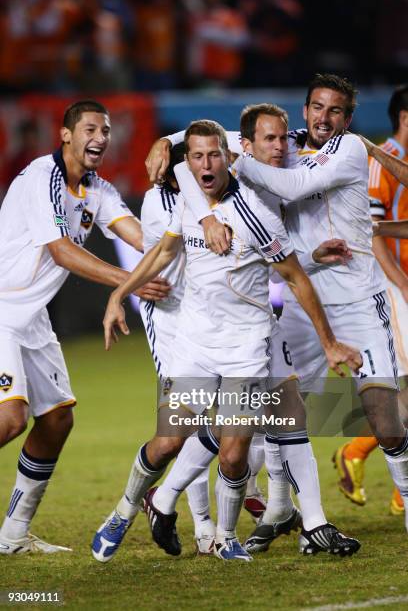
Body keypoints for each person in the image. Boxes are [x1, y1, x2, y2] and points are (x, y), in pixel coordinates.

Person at [96, 119, 361, 562]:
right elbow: (163, 250)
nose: (206, 163)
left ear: (230, 155)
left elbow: (293, 276)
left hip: (245, 346)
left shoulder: (255, 214)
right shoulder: (187, 198)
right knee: (168, 441)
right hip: (196, 344)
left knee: (236, 453)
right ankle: (126, 510)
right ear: (187, 161)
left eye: (214, 155)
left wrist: (330, 342)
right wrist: (119, 294)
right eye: (197, 156)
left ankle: (224, 536)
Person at [216, 74, 408, 533]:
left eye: (336, 110)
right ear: (304, 110)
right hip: (303, 301)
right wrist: (172, 140)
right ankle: (282, 507)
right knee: (284, 408)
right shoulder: (289, 141)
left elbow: (295, 187)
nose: (325, 117)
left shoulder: (348, 150)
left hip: (360, 301)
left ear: (348, 118)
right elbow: (216, 136)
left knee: (384, 417)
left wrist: (235, 163)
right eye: (317, 107)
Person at [0, 99, 168, 554]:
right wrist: (129, 281)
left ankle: (14, 535)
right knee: (10, 418)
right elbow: (61, 251)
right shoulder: (42, 178)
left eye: (106, 130)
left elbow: (140, 235)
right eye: (90, 128)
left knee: (56, 420)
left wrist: (184, 242)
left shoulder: (98, 189)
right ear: (67, 134)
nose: (100, 137)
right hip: (1, 312)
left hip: (31, 320)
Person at [333, 85, 408, 514]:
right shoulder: (382, 160)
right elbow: (372, 230)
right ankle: (362, 455)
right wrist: (398, 282)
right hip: (392, 289)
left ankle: (359, 453)